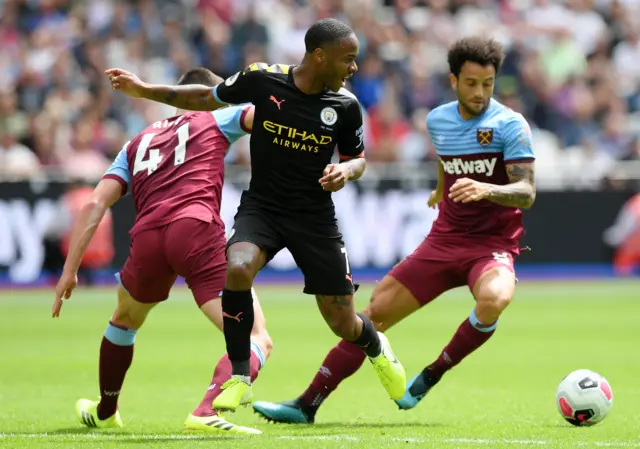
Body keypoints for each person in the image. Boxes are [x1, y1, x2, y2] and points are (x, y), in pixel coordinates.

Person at [105, 18, 406, 410]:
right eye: (348, 59)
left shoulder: (345, 106)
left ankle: (375, 346)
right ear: (319, 56)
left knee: (342, 323)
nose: (353, 68)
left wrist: (345, 170)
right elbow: (204, 98)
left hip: (314, 217)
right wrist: (145, 90)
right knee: (238, 267)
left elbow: (357, 159)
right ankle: (240, 374)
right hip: (263, 207)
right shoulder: (263, 79)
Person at [251, 36, 537, 424]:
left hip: (491, 247)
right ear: (453, 80)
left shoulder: (510, 125)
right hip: (444, 241)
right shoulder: (438, 120)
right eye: (471, 83)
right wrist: (441, 188)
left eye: (487, 84)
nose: (480, 92)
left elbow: (526, 191)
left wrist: (486, 187)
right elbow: (447, 158)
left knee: (495, 298)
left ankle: (433, 373)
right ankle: (306, 404)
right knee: (371, 316)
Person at [53, 68, 269, 435]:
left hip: (149, 236)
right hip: (196, 229)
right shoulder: (218, 116)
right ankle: (205, 410)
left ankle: (106, 409)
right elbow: (264, 115)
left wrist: (68, 270)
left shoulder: (135, 143)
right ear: (206, 93)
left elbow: (94, 204)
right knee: (256, 338)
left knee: (124, 320)